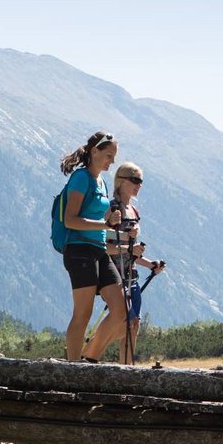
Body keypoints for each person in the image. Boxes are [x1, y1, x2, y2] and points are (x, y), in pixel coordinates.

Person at [57, 131, 124, 361]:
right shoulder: (81, 178)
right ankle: (73, 368)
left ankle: (88, 359)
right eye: (108, 155)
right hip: (79, 250)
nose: (111, 161)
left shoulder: (101, 182)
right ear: (95, 151)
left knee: (120, 310)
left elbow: (101, 221)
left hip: (99, 250)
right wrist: (105, 223)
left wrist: (114, 224)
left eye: (113, 157)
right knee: (83, 314)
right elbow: (70, 220)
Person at [105, 162, 164, 363]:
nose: (139, 185)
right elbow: (104, 247)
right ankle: (93, 353)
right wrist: (129, 249)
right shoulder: (112, 209)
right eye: (135, 180)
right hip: (114, 275)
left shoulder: (134, 212)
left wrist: (151, 265)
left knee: (134, 323)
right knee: (123, 322)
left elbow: (132, 251)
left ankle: (127, 367)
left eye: (141, 181)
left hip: (131, 275)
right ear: (121, 181)